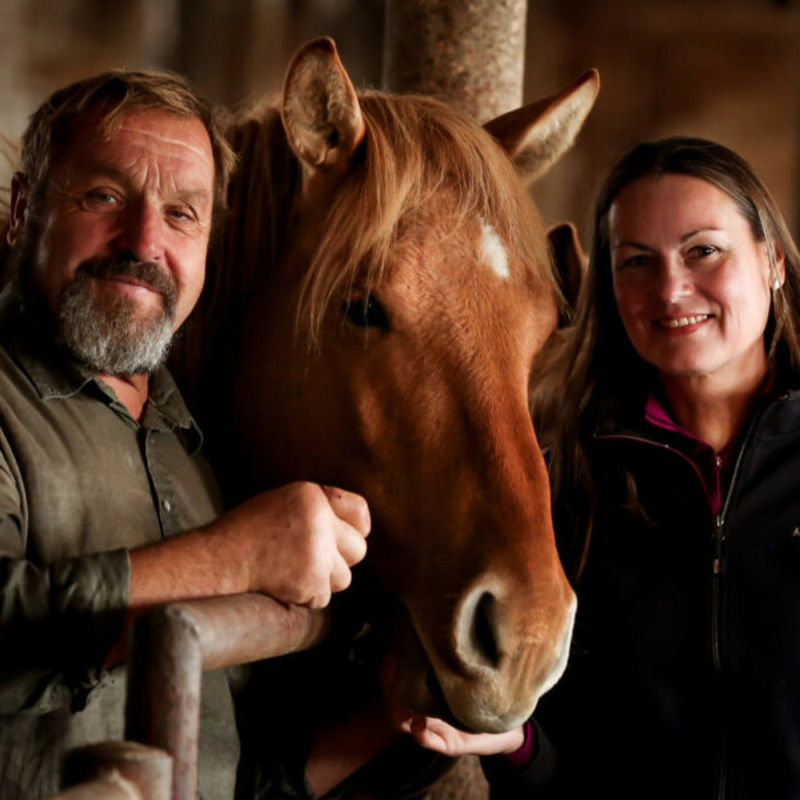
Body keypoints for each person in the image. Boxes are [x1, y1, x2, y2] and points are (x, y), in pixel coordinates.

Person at [388, 135, 800, 800]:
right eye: (637, 261)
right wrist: (516, 745)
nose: (670, 288)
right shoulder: (567, 475)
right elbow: (570, 768)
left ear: (772, 260)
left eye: (703, 250)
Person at [0, 70, 370, 800]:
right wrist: (233, 557)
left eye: (181, 215)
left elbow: (225, 774)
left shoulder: (186, 438)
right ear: (21, 213)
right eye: (104, 196)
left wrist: (399, 712)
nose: (144, 241)